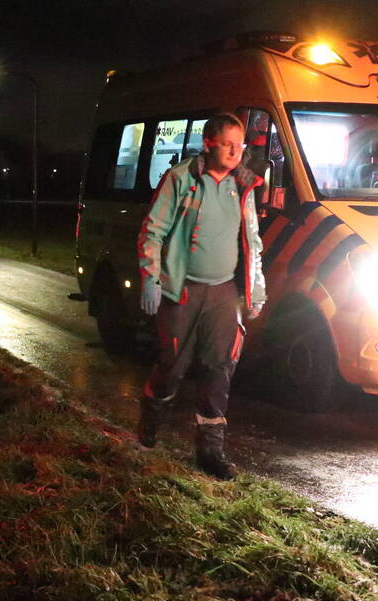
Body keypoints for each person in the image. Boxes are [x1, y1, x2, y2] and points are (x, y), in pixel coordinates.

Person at [135, 112, 266, 480]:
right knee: (172, 366)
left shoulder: (243, 186)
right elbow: (152, 232)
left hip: (223, 291)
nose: (235, 151)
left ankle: (210, 452)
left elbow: (252, 241)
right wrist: (151, 278)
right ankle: (149, 428)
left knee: (219, 367)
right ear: (208, 144)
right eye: (227, 143)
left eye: (240, 144)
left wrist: (257, 289)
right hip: (183, 290)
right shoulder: (181, 179)